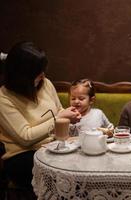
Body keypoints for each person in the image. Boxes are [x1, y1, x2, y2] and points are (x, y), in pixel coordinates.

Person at [0, 42, 81, 194]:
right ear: (22, 74)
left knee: (83, 164)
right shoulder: (4, 98)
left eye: (43, 70)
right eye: (38, 72)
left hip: (52, 146)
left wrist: (70, 114)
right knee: (65, 174)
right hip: (22, 156)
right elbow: (25, 137)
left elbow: (59, 110)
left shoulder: (45, 84)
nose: (43, 75)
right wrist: (59, 118)